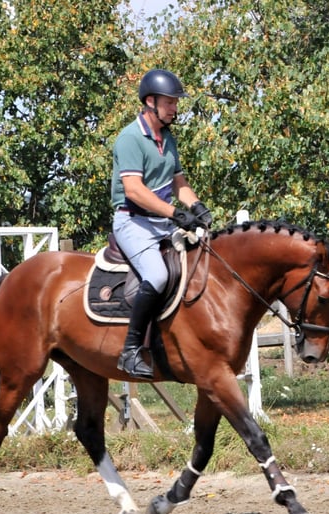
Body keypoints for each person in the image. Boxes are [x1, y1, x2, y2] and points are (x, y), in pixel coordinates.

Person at [111, 69, 213, 380]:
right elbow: (134, 190)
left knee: (199, 262)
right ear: (150, 102)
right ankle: (130, 350)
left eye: (175, 103)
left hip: (162, 222)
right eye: (169, 103)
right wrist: (174, 214)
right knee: (156, 275)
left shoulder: (167, 139)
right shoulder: (129, 138)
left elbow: (178, 182)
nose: (174, 108)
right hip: (133, 223)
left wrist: (195, 206)